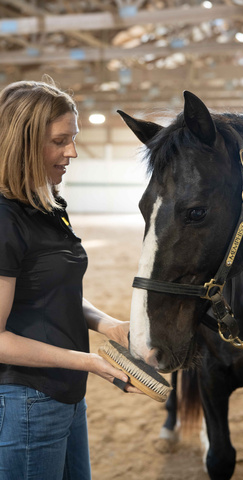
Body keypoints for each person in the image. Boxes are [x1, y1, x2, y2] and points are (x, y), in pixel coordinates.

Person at [0, 79, 139, 480]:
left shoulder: (47, 206)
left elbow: (51, 293)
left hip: (64, 394)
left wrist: (108, 325)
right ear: (24, 143)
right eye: (61, 141)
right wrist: (90, 361)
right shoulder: (6, 221)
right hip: (26, 400)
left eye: (73, 139)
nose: (72, 152)